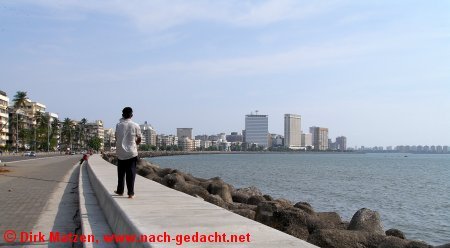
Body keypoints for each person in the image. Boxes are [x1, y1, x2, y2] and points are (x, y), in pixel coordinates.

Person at [114, 107, 142, 199]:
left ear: (122, 115)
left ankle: (120, 191)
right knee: (131, 173)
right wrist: (135, 144)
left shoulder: (118, 125)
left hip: (121, 152)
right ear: (132, 115)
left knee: (121, 173)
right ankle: (130, 193)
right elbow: (139, 138)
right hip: (131, 153)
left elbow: (116, 137)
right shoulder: (136, 125)